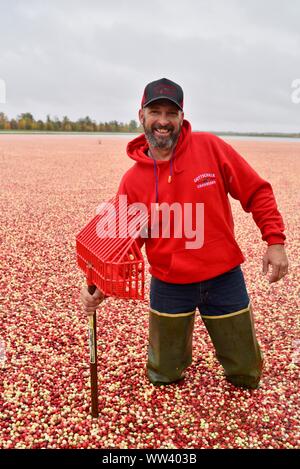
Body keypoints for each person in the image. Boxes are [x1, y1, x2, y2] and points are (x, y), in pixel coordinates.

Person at [81, 78, 289, 389]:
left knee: (246, 375)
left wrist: (275, 241)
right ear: (141, 116)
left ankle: (240, 360)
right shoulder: (133, 179)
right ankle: (170, 361)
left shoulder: (210, 148)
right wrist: (98, 282)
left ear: (182, 117)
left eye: (170, 113)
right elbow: (124, 240)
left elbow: (256, 191)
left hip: (223, 277)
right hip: (169, 283)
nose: (162, 121)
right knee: (163, 375)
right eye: (155, 112)